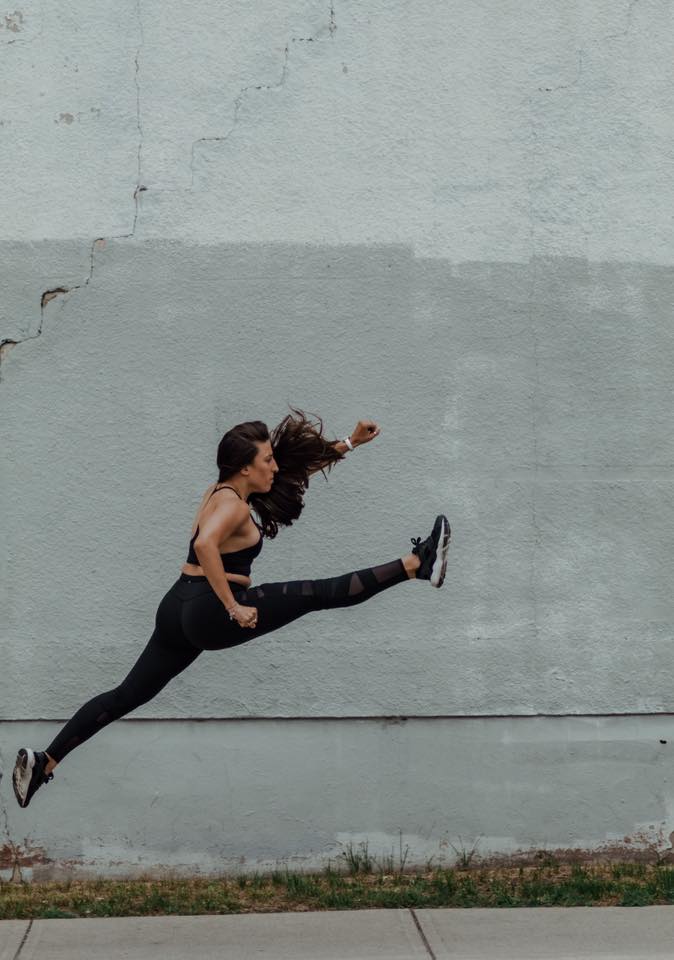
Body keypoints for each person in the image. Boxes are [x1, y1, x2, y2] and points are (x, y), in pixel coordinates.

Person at [12, 408, 450, 808]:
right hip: (208, 609)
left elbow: (292, 473)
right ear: (246, 467)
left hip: (177, 606)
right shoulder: (230, 505)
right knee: (317, 593)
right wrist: (234, 607)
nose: (275, 467)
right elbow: (205, 544)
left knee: (127, 695)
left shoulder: (223, 491)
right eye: (267, 461)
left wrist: (349, 444)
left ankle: (45, 761)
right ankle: (417, 564)